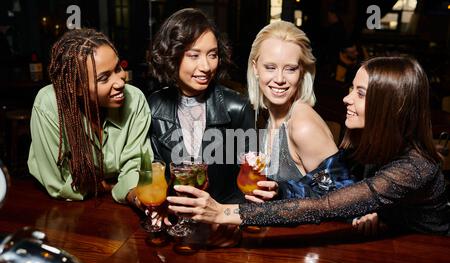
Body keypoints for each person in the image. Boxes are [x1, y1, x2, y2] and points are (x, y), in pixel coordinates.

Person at [167, 56, 450, 236]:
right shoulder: (367, 143)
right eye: (351, 89)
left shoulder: (415, 167)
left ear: (390, 107)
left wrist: (223, 213)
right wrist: (280, 190)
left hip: (428, 259)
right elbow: (323, 185)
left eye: (360, 94)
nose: (346, 100)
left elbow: (322, 206)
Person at [147, 8, 254, 247]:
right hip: (174, 233)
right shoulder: (153, 106)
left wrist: (231, 219)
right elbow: (154, 171)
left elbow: (249, 181)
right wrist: (157, 209)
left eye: (212, 54)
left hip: (222, 233)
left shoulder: (237, 108)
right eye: (194, 55)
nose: (206, 66)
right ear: (172, 55)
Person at [28, 28, 152, 207]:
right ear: (76, 87)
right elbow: (56, 181)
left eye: (118, 68)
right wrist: (108, 186)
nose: (121, 80)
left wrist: (135, 195)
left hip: (118, 206)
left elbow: (137, 164)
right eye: (104, 78)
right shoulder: (49, 103)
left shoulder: (135, 98)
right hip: (65, 208)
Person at [245, 21, 353, 203]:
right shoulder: (266, 116)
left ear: (302, 71)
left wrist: (282, 193)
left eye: (290, 69)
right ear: (255, 68)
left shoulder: (302, 124)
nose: (279, 79)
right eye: (270, 67)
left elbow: (342, 197)